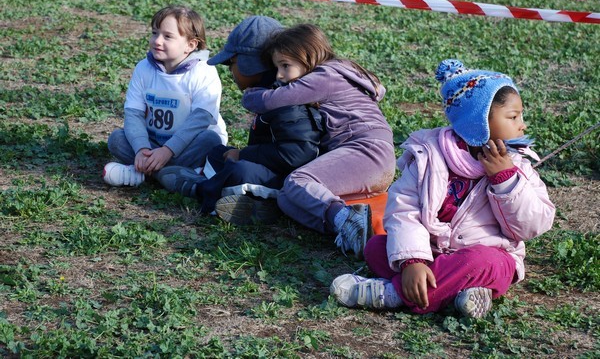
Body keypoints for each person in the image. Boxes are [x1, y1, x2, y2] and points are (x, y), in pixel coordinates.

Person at [329, 59, 556, 318]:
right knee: (376, 248)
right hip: (431, 249)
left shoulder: (519, 167)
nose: (522, 124)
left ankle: (393, 294)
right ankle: (462, 292)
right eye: (513, 116)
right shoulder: (430, 157)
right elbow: (405, 209)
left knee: (487, 263)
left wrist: (505, 180)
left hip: (487, 255)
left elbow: (532, 225)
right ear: (477, 122)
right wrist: (413, 260)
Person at [241, 24, 396, 258]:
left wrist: (250, 94)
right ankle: (347, 227)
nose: (280, 76)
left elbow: (274, 100)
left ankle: (347, 222)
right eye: (277, 68)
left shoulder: (325, 76)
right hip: (373, 159)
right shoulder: (339, 73)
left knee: (298, 181)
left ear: (308, 57)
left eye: (285, 66)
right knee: (287, 197)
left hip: (366, 152)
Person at [155, 16, 324, 224]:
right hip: (271, 167)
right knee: (219, 153)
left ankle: (199, 188)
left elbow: (298, 154)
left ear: (253, 65)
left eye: (232, 63)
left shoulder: (285, 102)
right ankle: (253, 203)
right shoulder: (268, 94)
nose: (231, 71)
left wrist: (245, 154)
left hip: (289, 179)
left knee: (240, 170)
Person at [103, 5, 227, 187]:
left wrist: (168, 151)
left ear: (190, 45)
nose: (157, 41)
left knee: (211, 140)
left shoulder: (204, 71)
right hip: (152, 143)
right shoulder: (143, 68)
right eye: (154, 33)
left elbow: (200, 120)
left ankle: (141, 173)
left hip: (189, 144)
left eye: (167, 36)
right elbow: (133, 114)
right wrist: (141, 149)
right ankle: (174, 174)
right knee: (116, 139)